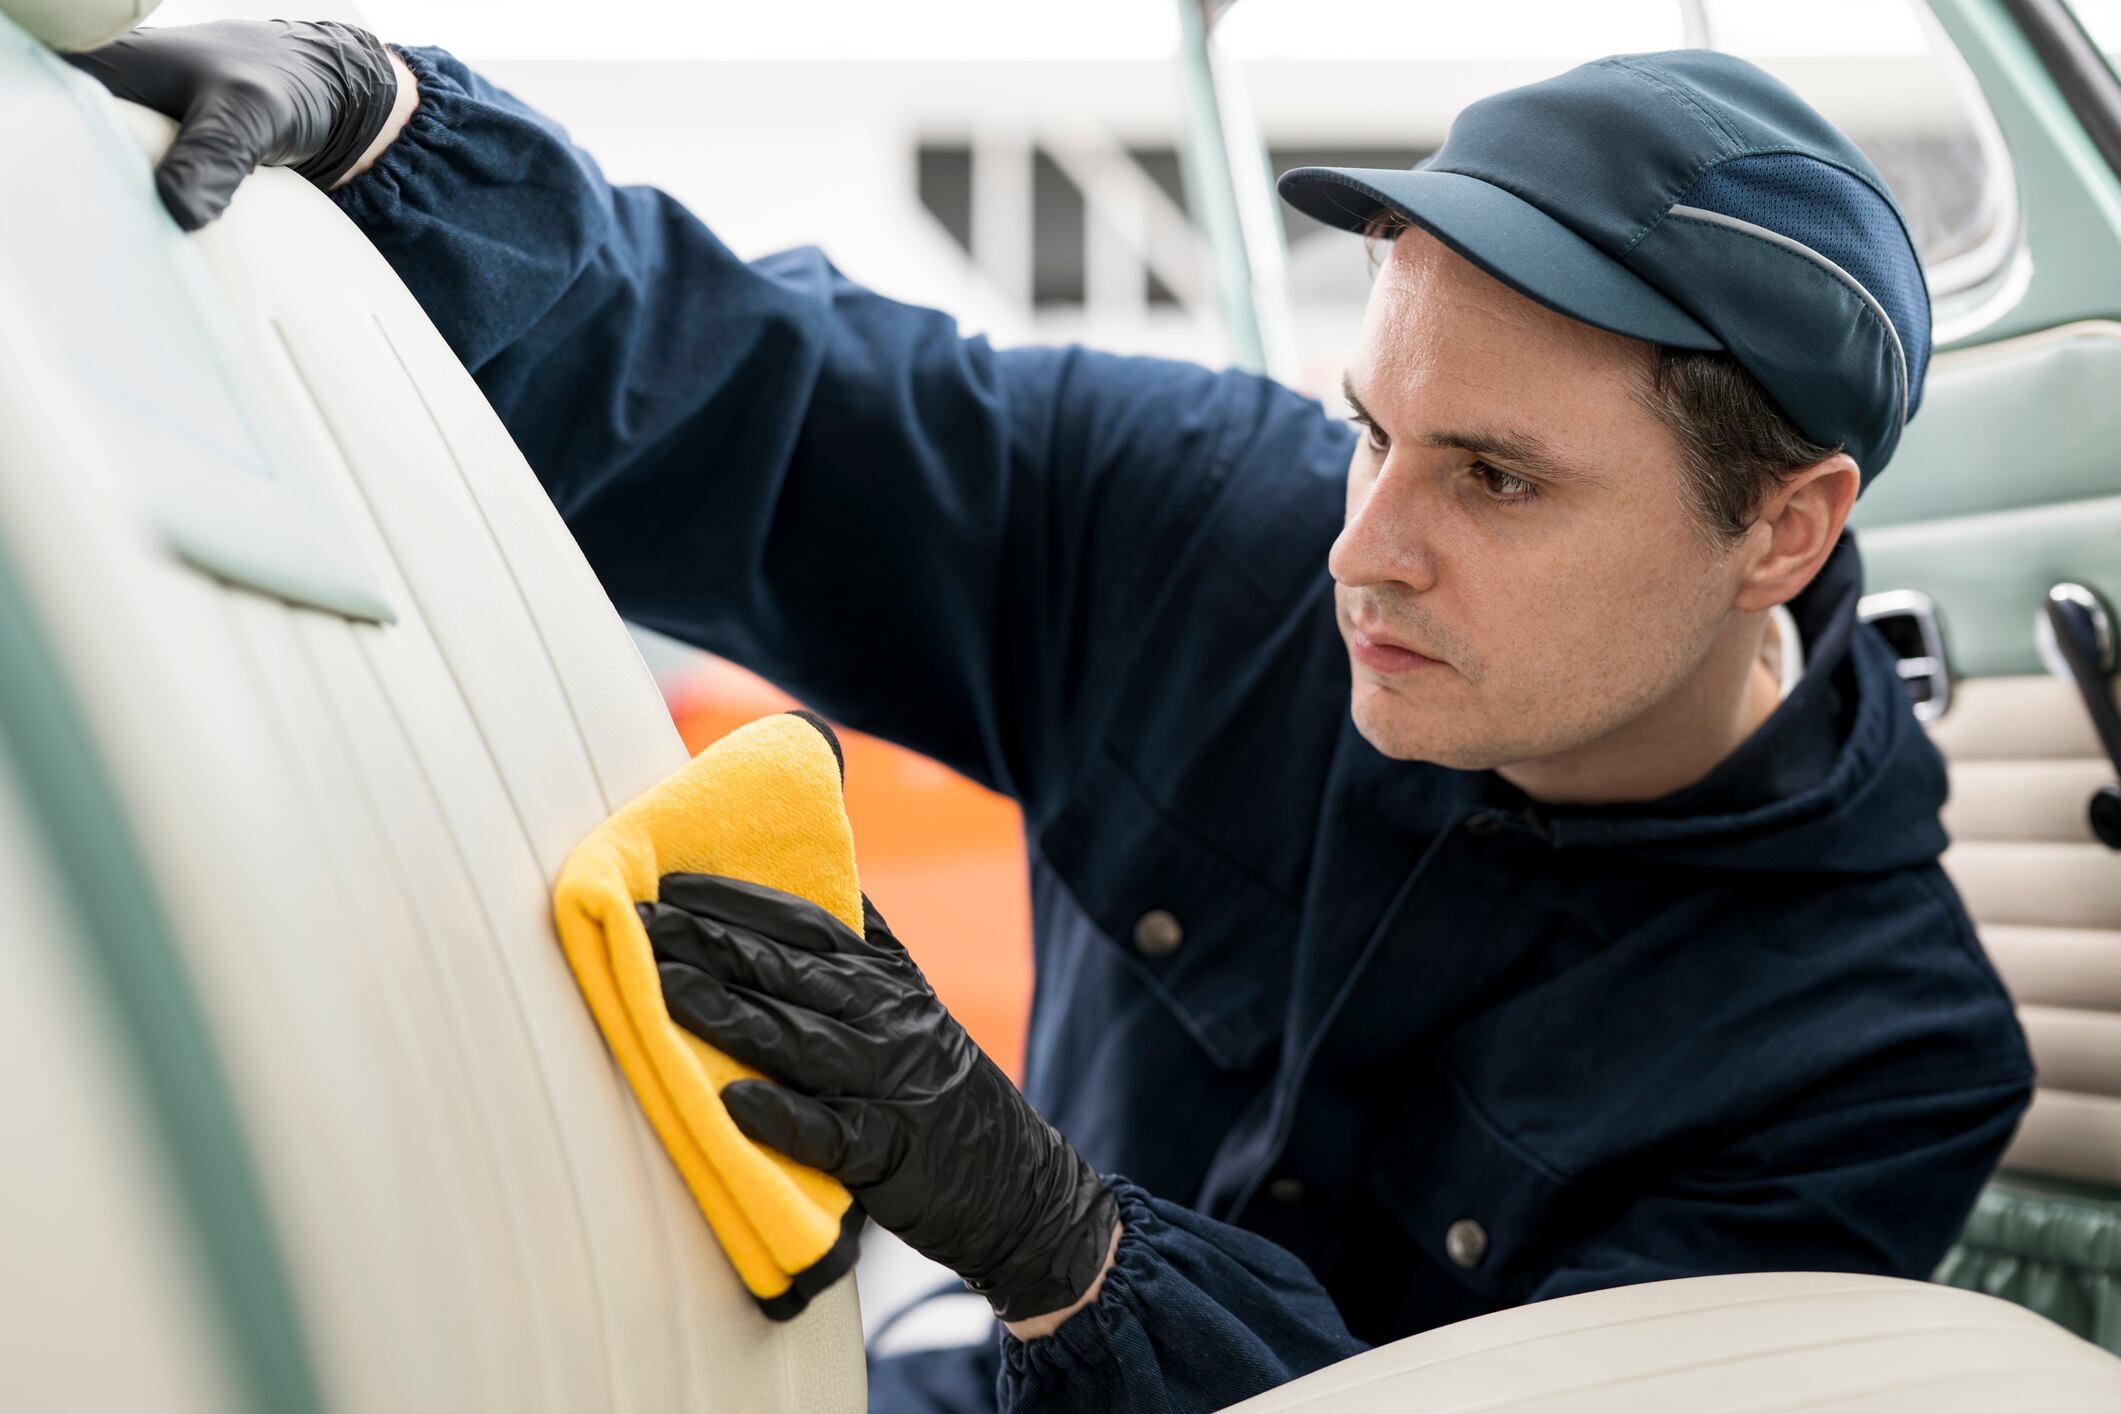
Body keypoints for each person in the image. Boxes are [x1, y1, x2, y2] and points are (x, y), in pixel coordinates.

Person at [71, 20, 2035, 1414]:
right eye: (1371, 429)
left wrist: (1063, 1241)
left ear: (1782, 527)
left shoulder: (1878, 1063)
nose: (1362, 549)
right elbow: (760, 399)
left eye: (1496, 479)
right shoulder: (1205, 525)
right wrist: (393, 136)